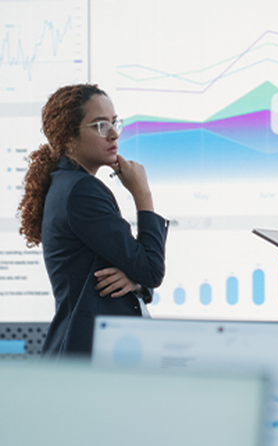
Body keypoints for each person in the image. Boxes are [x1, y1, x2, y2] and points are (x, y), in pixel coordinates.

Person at [18, 84, 168, 356]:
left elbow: (139, 272)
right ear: (69, 137)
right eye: (100, 126)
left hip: (85, 353)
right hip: (87, 356)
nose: (114, 134)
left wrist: (135, 281)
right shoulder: (82, 190)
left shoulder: (67, 184)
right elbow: (151, 269)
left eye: (114, 123)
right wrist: (143, 194)